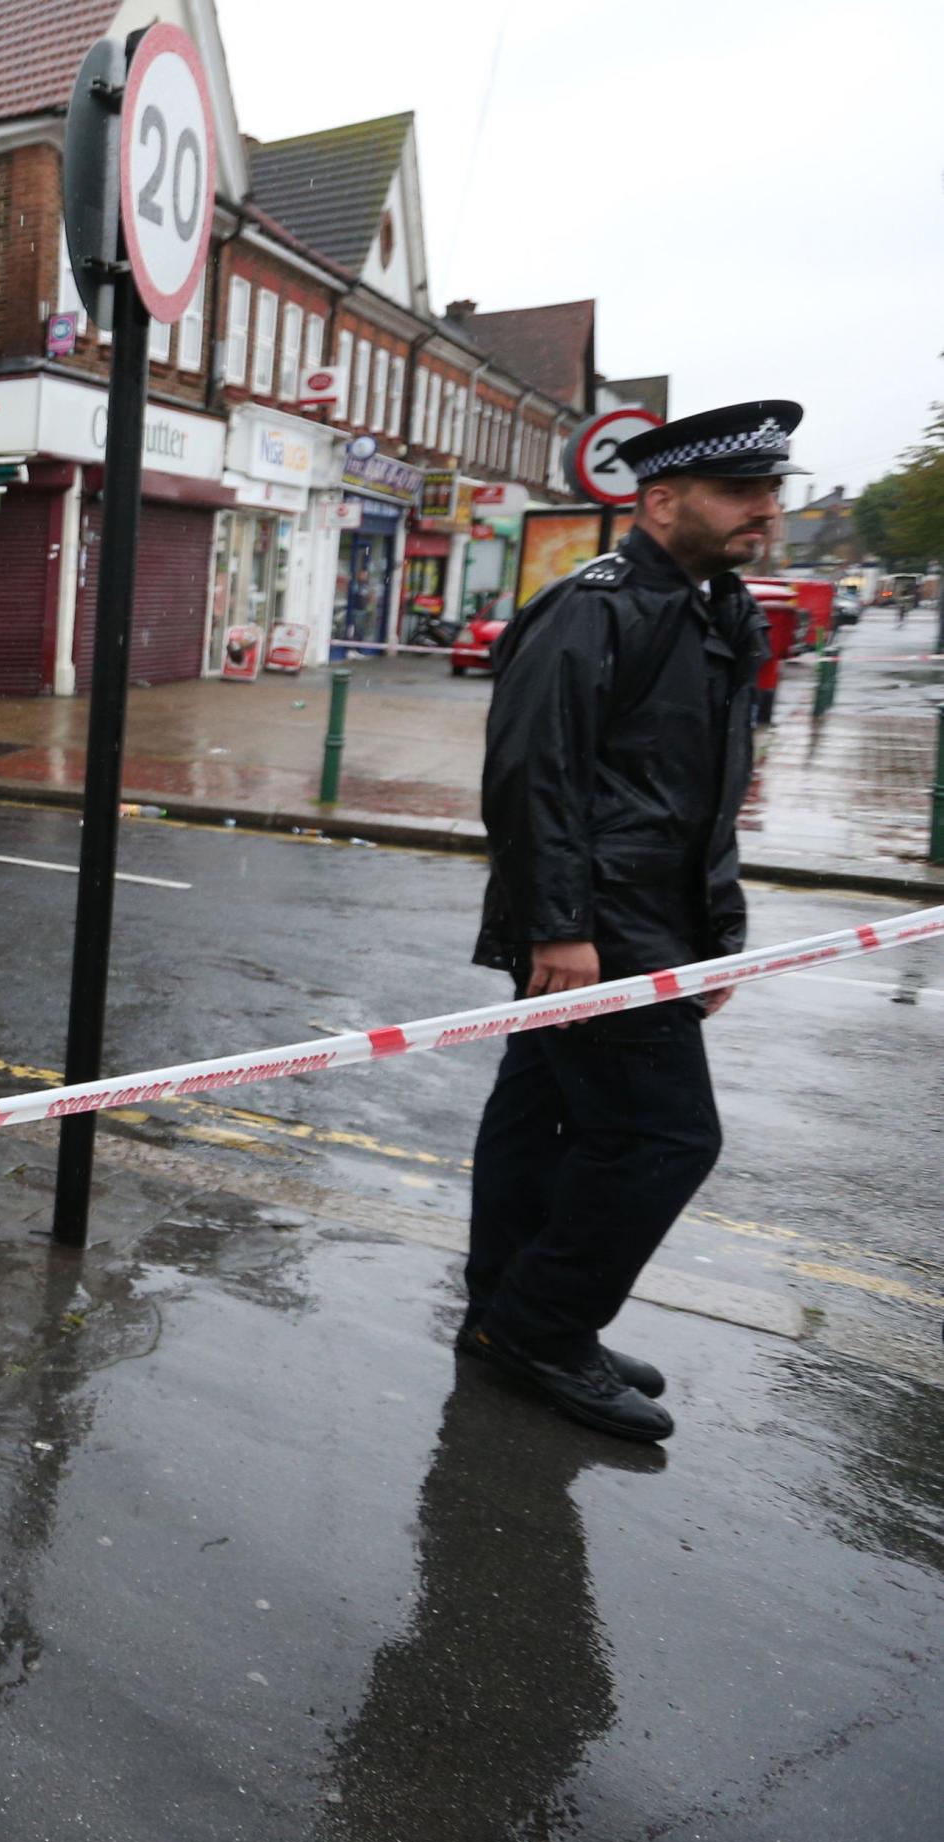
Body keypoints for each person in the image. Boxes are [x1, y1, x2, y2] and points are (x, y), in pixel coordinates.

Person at [464, 399, 804, 1442]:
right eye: (741, 492)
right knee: (664, 1136)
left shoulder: (717, 609)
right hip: (597, 930)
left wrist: (717, 937)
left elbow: (703, 797)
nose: (765, 511)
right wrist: (558, 930)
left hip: (656, 924)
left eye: (771, 492)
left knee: (544, 1117)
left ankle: (505, 1319)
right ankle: (542, 1327)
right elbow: (531, 776)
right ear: (661, 502)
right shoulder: (592, 610)